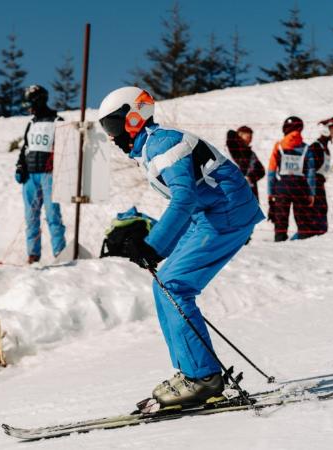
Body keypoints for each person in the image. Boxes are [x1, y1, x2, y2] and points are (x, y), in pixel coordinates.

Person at [98, 86, 263, 407]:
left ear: (134, 117)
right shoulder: (153, 146)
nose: (113, 137)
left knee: (174, 286)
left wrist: (155, 246)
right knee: (166, 288)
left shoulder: (164, 144)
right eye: (108, 130)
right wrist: (154, 244)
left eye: (114, 126)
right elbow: (191, 201)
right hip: (212, 214)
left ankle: (203, 378)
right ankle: (193, 371)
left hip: (227, 213)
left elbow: (184, 198)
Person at [14, 85, 66, 264]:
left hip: (49, 175)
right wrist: (20, 166)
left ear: (39, 100)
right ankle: (33, 255)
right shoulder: (32, 123)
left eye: (30, 102)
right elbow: (26, 147)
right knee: (31, 217)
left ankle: (60, 253)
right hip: (30, 176)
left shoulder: (57, 120)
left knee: (53, 215)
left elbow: (66, 149)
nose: (28, 107)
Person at [267, 116, 318, 241]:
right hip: (300, 187)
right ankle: (303, 241)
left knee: (280, 218)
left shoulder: (278, 146)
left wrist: (270, 192)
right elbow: (311, 173)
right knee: (302, 219)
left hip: (282, 186)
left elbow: (271, 171)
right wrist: (311, 193)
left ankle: (279, 240)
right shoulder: (306, 148)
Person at [305, 117, 333, 237]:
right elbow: (309, 171)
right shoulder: (316, 147)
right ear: (325, 130)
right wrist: (311, 192)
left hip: (319, 185)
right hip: (314, 187)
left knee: (322, 212)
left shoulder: (325, 148)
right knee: (317, 216)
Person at [226, 126, 265, 199]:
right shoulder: (233, 149)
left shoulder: (251, 154)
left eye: (251, 137)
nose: (250, 139)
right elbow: (230, 134)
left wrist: (250, 177)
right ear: (239, 136)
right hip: (234, 191)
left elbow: (261, 171)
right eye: (248, 136)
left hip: (250, 192)